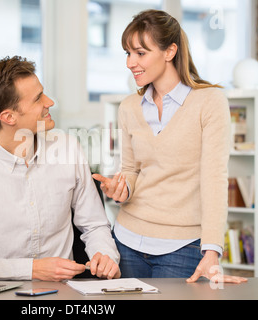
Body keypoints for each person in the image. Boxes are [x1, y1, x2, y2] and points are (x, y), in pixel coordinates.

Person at [92, 9, 247, 284]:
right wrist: (121, 187)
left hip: (182, 246)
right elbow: (131, 169)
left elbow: (214, 178)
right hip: (126, 240)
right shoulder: (129, 107)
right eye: (127, 53)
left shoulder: (209, 102)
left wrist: (212, 250)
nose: (130, 62)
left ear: (170, 51)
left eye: (140, 53)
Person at [0, 56, 120, 281]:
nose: (49, 102)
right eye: (37, 99)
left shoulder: (68, 149)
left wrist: (105, 255)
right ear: (8, 117)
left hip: (63, 294)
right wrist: (31, 270)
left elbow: (94, 225)